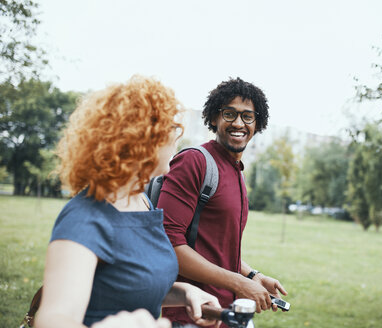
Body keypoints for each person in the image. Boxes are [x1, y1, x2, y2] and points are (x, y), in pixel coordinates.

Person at [35, 76, 221, 328]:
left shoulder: (141, 202)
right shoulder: (85, 218)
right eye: (172, 130)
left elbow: (128, 286)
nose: (177, 140)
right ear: (143, 140)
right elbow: (52, 320)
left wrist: (185, 292)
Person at [158, 77, 288, 326]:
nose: (238, 123)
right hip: (192, 315)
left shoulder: (236, 170)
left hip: (229, 314)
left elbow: (217, 247)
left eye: (247, 116)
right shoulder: (195, 162)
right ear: (214, 118)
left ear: (257, 123)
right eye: (229, 114)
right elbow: (168, 244)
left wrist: (253, 275)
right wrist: (240, 283)